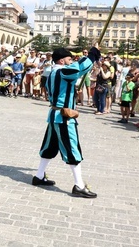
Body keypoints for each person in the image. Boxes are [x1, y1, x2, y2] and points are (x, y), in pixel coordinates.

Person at [32, 45, 100, 198]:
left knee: (49, 146)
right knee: (72, 148)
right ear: (62, 61)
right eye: (69, 59)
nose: (71, 61)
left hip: (54, 114)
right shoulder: (62, 71)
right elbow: (80, 68)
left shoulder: (51, 72)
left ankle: (39, 176)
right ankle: (79, 185)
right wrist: (92, 54)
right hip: (64, 117)